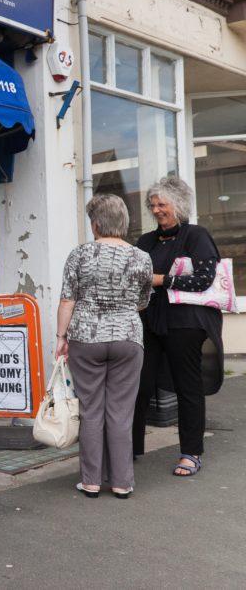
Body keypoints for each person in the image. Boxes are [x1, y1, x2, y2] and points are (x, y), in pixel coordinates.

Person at [57, 194, 153, 499]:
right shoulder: (142, 257)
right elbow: (143, 301)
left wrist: (61, 337)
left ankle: (92, 481)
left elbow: (67, 300)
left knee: (91, 411)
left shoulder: (79, 255)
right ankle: (123, 483)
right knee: (121, 412)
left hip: (86, 338)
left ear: (96, 223)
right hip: (127, 338)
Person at [134, 176, 223, 477]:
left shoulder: (196, 236)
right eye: (153, 205)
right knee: (140, 384)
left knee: (187, 387)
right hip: (150, 319)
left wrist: (162, 280)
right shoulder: (145, 241)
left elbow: (203, 279)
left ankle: (191, 452)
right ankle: (130, 448)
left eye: (163, 204)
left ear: (179, 205)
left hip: (186, 323)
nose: (157, 210)